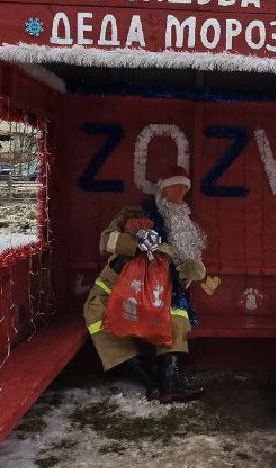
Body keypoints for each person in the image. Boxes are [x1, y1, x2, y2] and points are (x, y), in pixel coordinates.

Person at [83, 160, 215, 402]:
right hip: (117, 289)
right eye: (175, 187)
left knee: (178, 313)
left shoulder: (184, 228)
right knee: (98, 315)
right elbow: (106, 242)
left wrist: (192, 270)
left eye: (184, 189)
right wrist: (134, 243)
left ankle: (169, 379)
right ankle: (147, 379)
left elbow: (182, 277)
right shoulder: (134, 214)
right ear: (162, 189)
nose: (180, 194)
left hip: (160, 295)